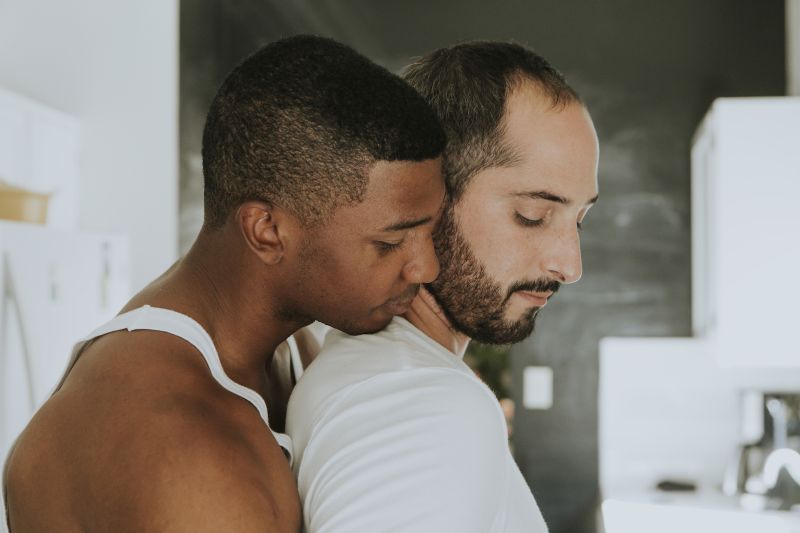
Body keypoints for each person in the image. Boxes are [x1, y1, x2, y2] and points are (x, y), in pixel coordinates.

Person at [3, 35, 446, 533]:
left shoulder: (288, 344)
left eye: (432, 231)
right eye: (390, 243)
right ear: (267, 232)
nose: (425, 267)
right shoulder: (188, 456)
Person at [286, 41, 599, 533]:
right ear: (427, 197)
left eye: (579, 220)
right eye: (533, 215)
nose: (570, 264)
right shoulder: (423, 404)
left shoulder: (387, 372)